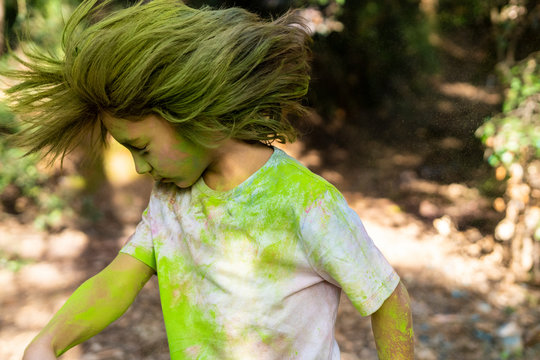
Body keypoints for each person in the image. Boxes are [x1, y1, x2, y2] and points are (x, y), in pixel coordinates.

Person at [7, 0, 414, 359]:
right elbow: (116, 282)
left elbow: (387, 299)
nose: (138, 169)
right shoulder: (171, 200)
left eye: (142, 147)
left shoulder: (305, 202)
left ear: (191, 114)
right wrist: (49, 342)